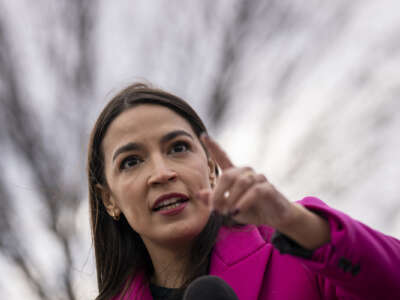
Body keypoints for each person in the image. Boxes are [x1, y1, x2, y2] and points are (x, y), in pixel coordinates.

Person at [87, 83, 400, 300]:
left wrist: (294, 221)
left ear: (210, 167)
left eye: (178, 147)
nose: (162, 173)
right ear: (109, 199)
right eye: (131, 162)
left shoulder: (299, 251)